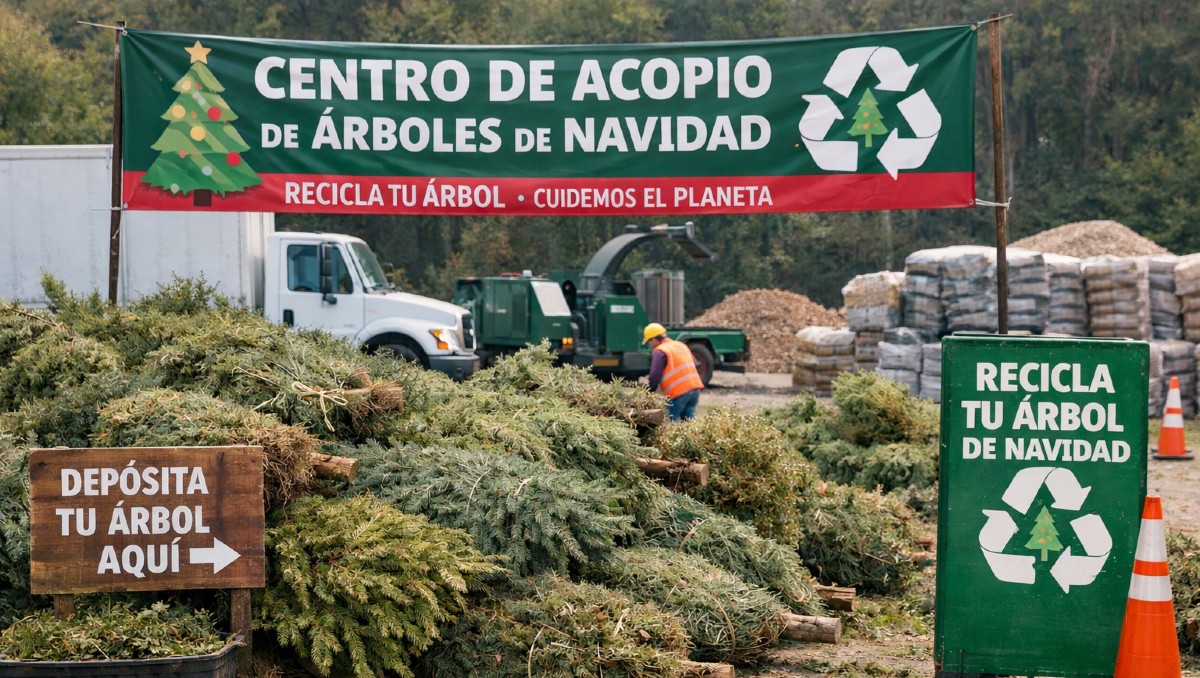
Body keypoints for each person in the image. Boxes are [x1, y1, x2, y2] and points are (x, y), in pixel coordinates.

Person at [642, 322, 704, 421]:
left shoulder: (660, 351)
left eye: (649, 342)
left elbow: (655, 375)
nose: (650, 345)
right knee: (689, 424)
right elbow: (697, 365)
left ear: (653, 339)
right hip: (694, 389)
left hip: (678, 393)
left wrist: (649, 392)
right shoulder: (680, 345)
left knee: (669, 424)